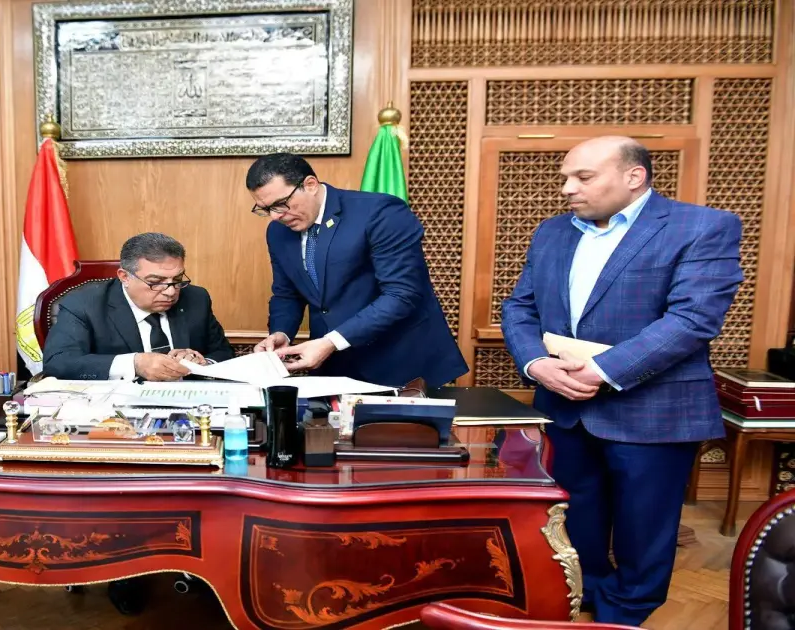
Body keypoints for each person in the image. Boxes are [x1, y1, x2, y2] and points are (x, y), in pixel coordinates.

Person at [501, 136, 743, 625]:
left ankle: (625, 614)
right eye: (566, 178)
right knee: (573, 517)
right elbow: (519, 307)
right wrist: (535, 364)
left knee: (643, 526)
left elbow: (693, 319)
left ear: (634, 176)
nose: (567, 188)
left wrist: (603, 370)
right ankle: (582, 594)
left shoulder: (702, 226)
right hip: (565, 405)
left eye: (583, 177)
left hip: (652, 409)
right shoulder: (552, 232)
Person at [247, 153, 467, 388]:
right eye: (265, 209)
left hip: (402, 363)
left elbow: (401, 294)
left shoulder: (380, 212)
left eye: (281, 204)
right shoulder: (278, 232)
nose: (275, 216)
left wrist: (331, 342)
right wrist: (281, 333)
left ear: (310, 185)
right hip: (334, 369)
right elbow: (287, 294)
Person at [43, 232, 234, 381]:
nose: (170, 291)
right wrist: (134, 363)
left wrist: (202, 363)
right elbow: (59, 362)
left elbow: (224, 353)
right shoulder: (84, 304)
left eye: (177, 279)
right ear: (125, 277)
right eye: (155, 282)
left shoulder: (196, 298)